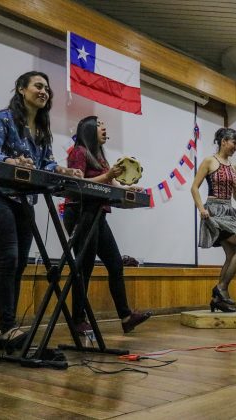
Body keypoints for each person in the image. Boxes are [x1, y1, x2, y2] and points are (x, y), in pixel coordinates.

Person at [0, 71, 83, 352]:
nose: (44, 91)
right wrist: (10, 159)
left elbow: (46, 164)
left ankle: (7, 332)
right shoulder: (4, 118)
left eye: (47, 88)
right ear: (21, 89)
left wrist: (62, 169)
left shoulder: (42, 128)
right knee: (9, 259)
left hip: (25, 203)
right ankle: (7, 327)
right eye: (38, 86)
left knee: (20, 263)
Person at [63, 116, 152, 335]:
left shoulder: (100, 157)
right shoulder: (79, 152)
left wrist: (130, 190)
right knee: (84, 268)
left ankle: (126, 317)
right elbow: (78, 183)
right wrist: (107, 175)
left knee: (115, 264)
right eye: (101, 124)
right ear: (90, 129)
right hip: (81, 214)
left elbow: (111, 186)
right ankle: (77, 320)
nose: (105, 128)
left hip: (98, 215)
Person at [191, 128, 236, 313]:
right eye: (234, 143)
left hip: (229, 210)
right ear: (223, 141)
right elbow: (194, 188)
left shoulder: (234, 167)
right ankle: (221, 288)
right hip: (214, 212)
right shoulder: (209, 161)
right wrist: (201, 208)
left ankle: (217, 299)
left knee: (231, 254)